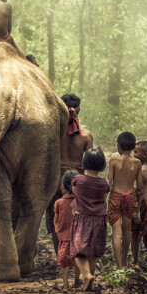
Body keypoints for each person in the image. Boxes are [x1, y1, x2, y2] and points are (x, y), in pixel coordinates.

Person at [45, 93, 93, 253]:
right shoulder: (86, 135)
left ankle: (60, 253)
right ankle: (77, 253)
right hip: (77, 181)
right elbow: (90, 163)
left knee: (55, 218)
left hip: (54, 180)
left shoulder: (52, 132)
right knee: (78, 217)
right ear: (78, 110)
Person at [69, 147, 110, 292]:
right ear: (102, 164)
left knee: (77, 251)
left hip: (82, 218)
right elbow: (103, 199)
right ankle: (90, 278)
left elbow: (76, 194)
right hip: (99, 219)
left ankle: (87, 275)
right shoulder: (105, 183)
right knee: (92, 253)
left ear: (85, 162)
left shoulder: (78, 179)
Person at [108, 131, 143, 268]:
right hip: (130, 197)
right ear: (133, 146)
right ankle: (124, 260)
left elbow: (109, 183)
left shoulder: (114, 161)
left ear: (119, 146)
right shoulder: (137, 163)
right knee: (127, 230)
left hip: (116, 196)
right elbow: (139, 186)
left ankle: (119, 266)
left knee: (116, 233)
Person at [53, 169, 81, 291]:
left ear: (63, 185)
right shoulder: (80, 202)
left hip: (64, 237)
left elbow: (55, 220)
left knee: (64, 263)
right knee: (78, 260)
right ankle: (76, 282)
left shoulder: (59, 202)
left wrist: (58, 231)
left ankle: (65, 285)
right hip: (78, 237)